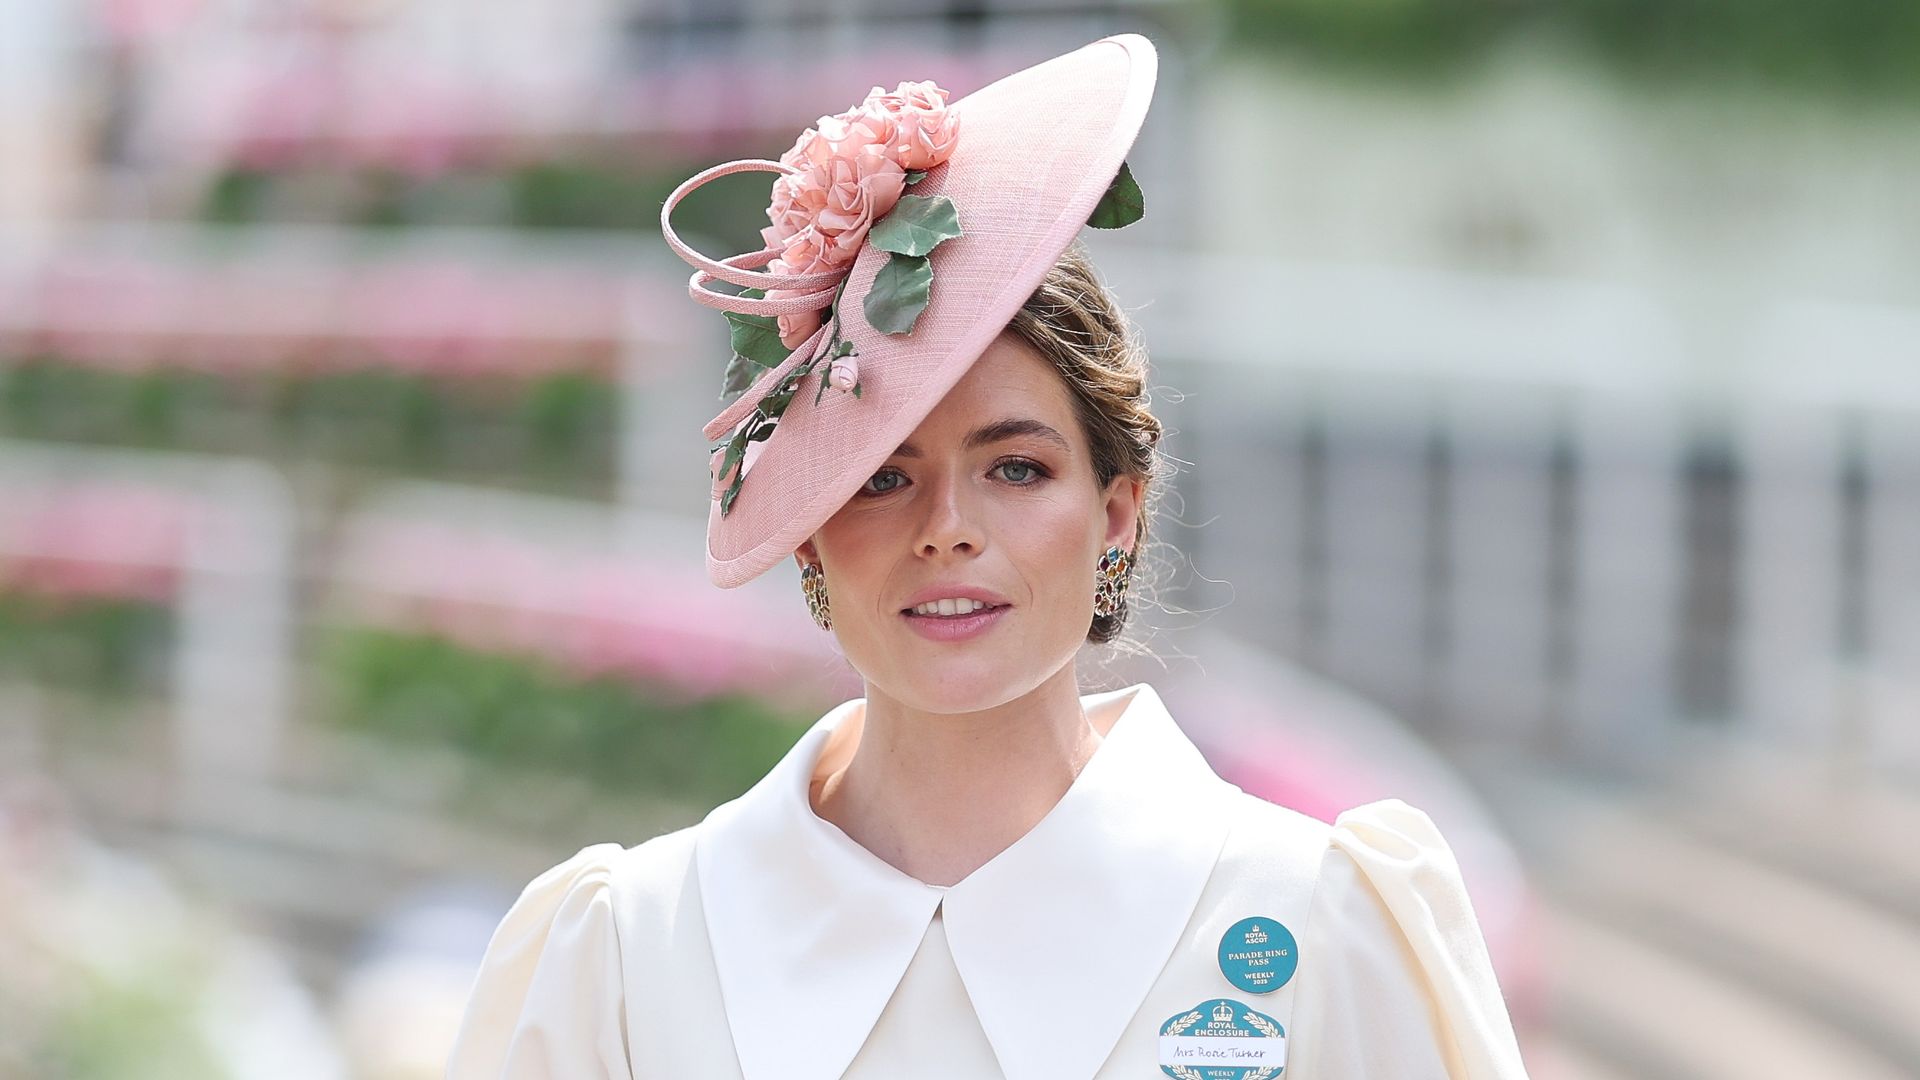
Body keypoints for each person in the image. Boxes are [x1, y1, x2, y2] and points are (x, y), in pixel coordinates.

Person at [445, 33, 1530, 1080]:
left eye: (1016, 468)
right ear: (813, 528)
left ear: (1118, 514)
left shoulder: (1316, 923)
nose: (947, 527)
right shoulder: (628, 956)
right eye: (881, 475)